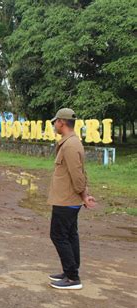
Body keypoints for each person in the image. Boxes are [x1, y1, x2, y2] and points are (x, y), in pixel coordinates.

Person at [47, 108, 96, 290]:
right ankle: (70, 272)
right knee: (69, 235)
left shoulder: (71, 145)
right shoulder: (70, 143)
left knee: (58, 235)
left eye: (55, 122)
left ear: (62, 122)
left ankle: (73, 278)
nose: (54, 125)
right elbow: (79, 173)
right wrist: (83, 195)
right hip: (68, 199)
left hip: (66, 200)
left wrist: (84, 195)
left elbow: (78, 175)